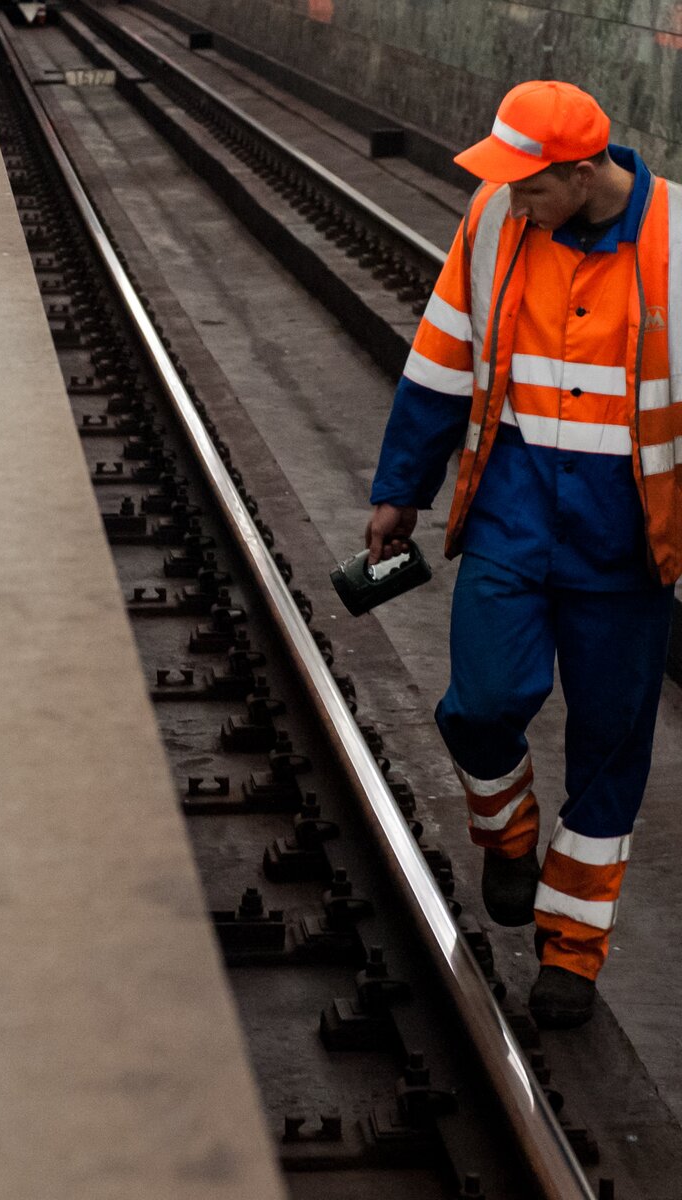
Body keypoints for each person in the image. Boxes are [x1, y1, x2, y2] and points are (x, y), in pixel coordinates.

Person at [366, 80, 682, 1029]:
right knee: (483, 705)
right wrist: (399, 490)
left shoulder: (675, 247)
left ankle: (571, 953)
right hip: (509, 519)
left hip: (626, 552)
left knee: (610, 751)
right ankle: (508, 835)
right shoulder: (497, 221)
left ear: (584, 174)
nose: (511, 197)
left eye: (530, 185)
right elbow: (440, 357)